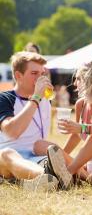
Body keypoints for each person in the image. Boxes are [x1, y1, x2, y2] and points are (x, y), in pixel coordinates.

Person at [0, 51, 58, 191]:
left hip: (35, 157)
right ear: (18, 76)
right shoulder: (4, 99)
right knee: (7, 154)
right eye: (34, 73)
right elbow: (12, 132)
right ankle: (48, 177)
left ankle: (85, 177)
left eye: (42, 73)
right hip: (8, 159)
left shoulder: (45, 100)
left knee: (47, 147)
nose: (40, 78)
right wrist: (36, 97)